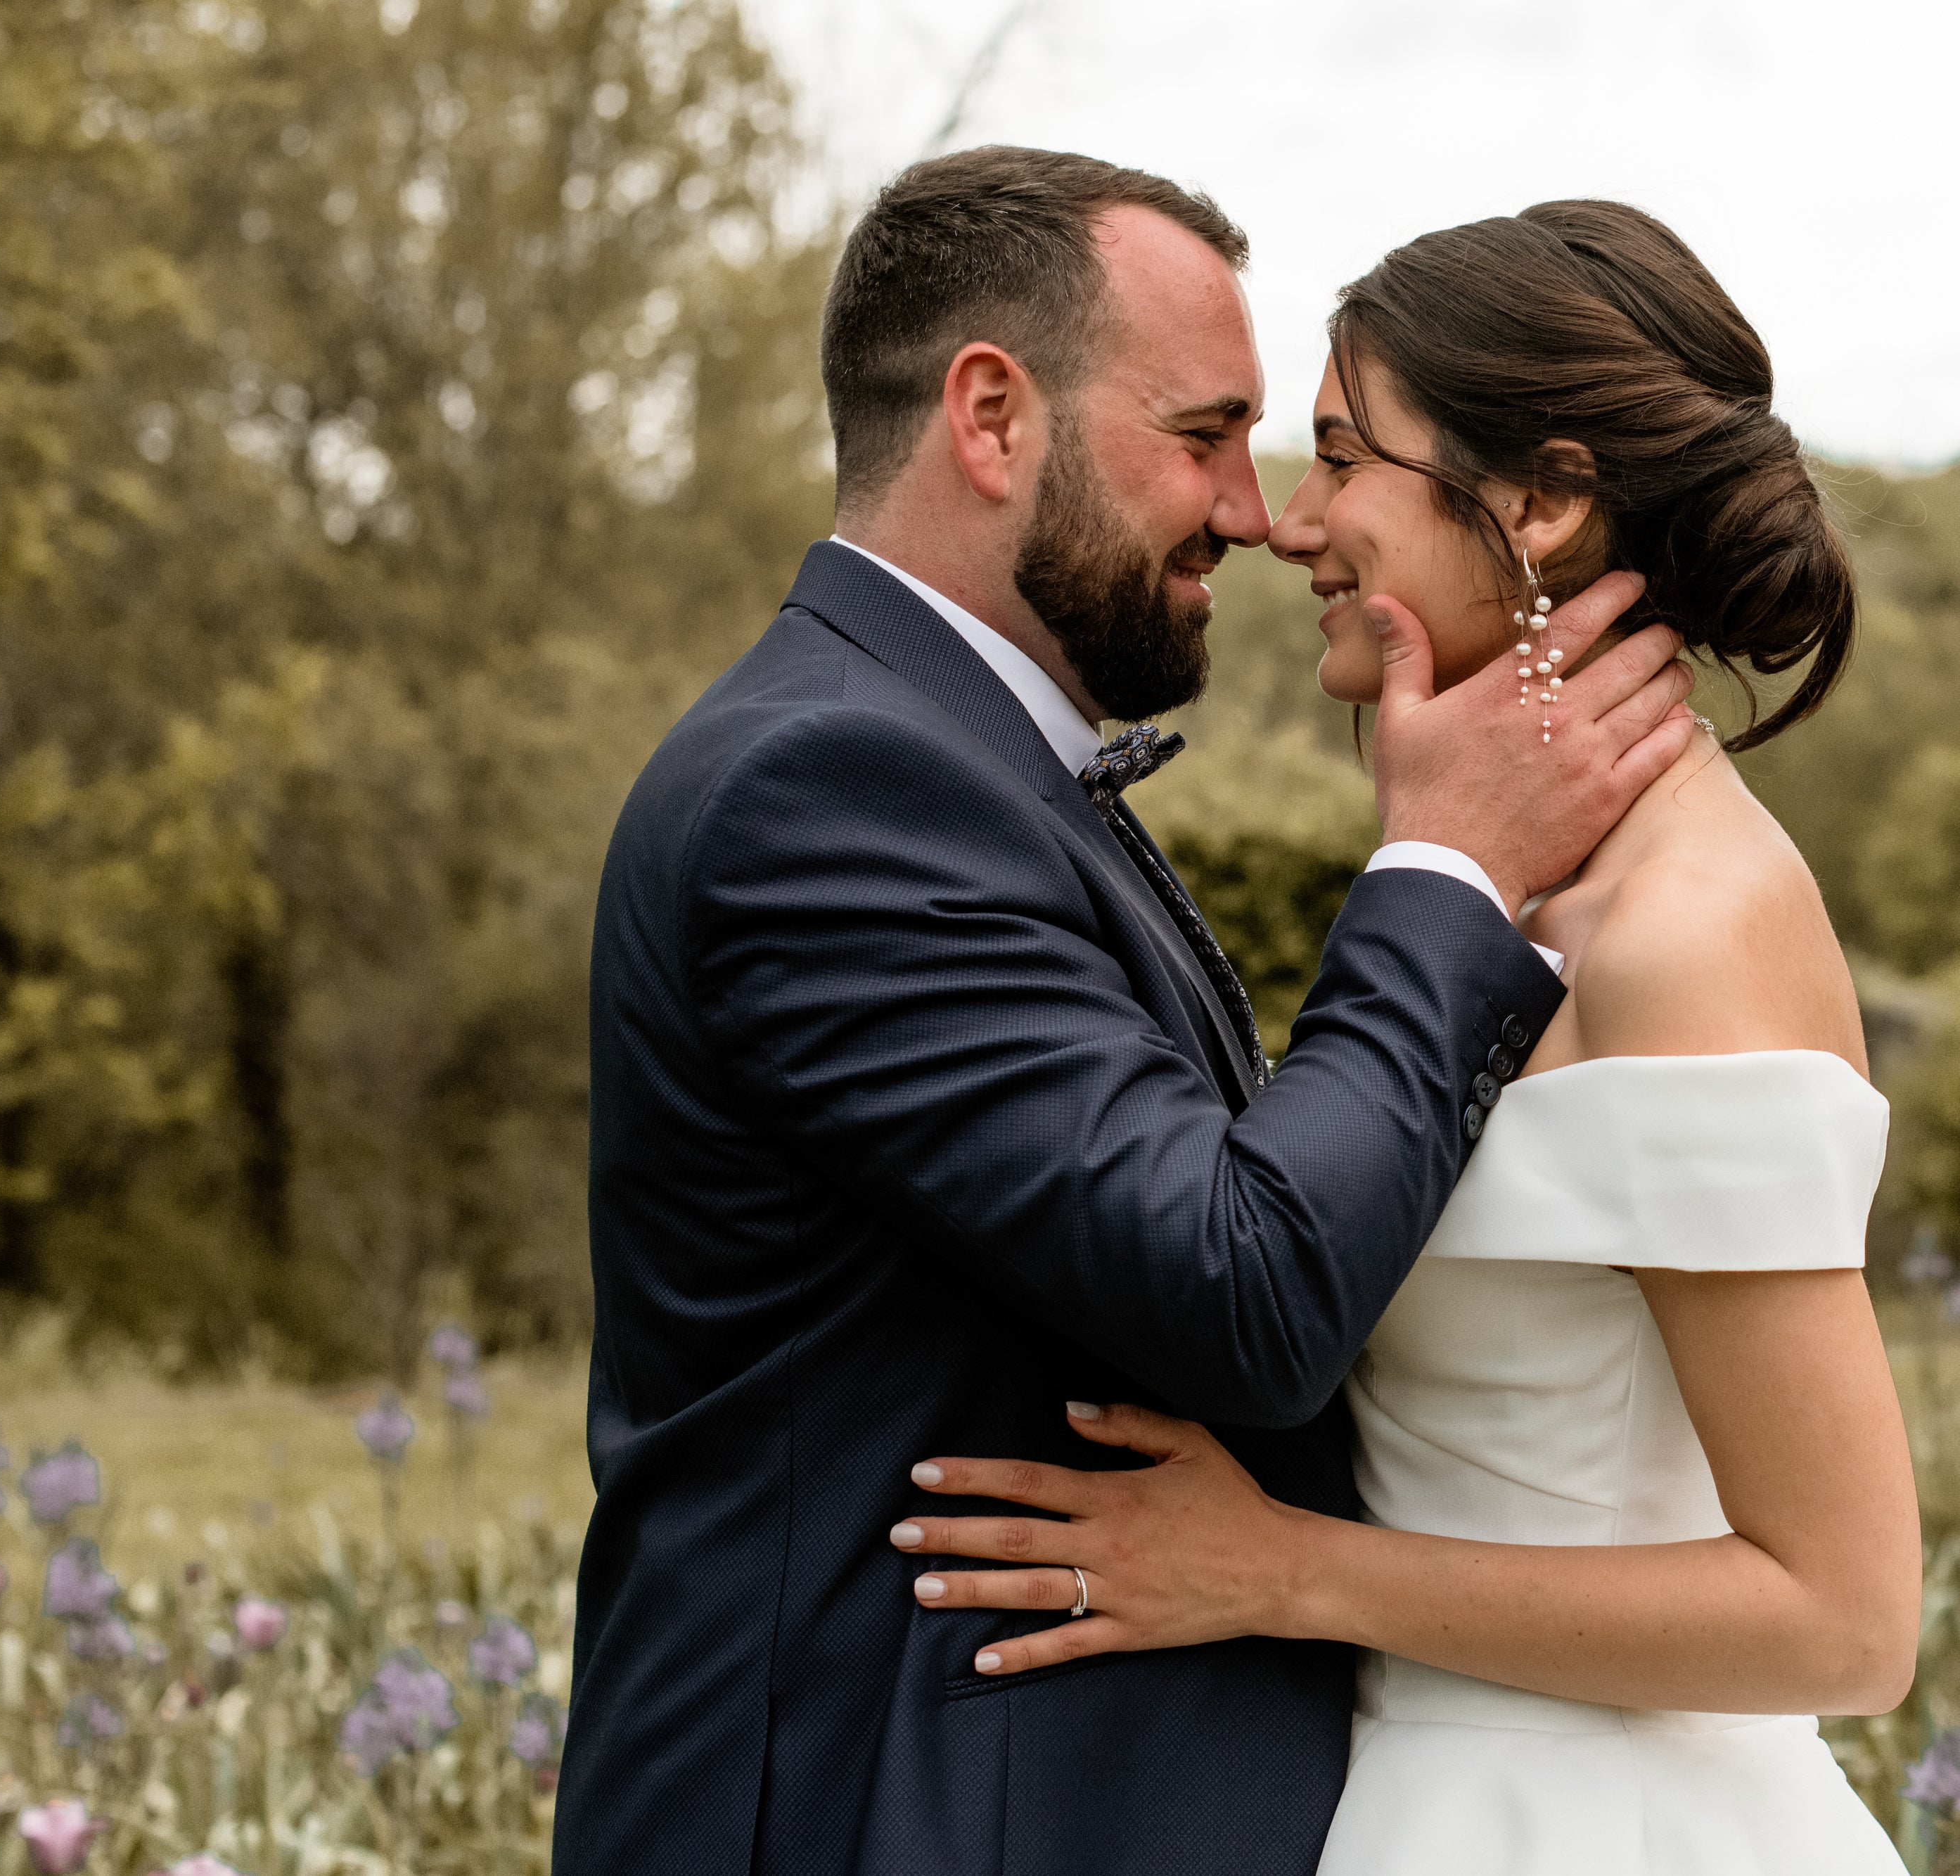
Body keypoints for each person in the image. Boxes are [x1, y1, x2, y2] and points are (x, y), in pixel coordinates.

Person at [553, 152, 1698, 1876]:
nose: (1253, 511)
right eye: (1202, 432)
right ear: (993, 417)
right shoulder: (833, 786)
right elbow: (1239, 1286)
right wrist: (1443, 866)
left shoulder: (954, 767)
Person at [888, 201, 1923, 1875]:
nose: (1288, 525)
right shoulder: (1496, 909)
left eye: (1340, 456)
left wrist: (1279, 1569)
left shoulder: (1687, 931)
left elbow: (1842, 1614)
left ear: (1542, 499)